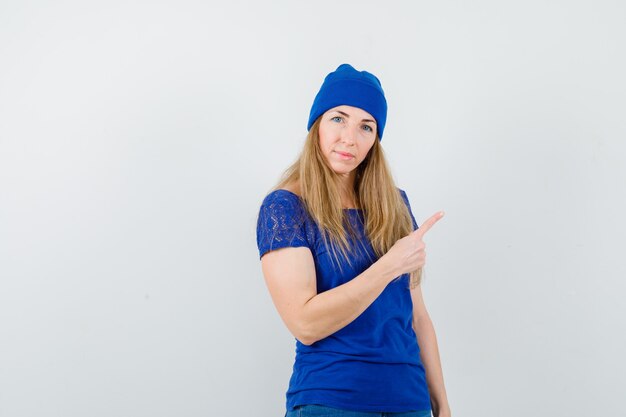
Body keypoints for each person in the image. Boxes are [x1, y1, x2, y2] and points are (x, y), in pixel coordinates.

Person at [256, 64, 451, 417]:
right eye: (338, 119)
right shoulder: (285, 207)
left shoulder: (395, 203)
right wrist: (388, 265)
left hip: (410, 401)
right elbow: (306, 324)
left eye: (366, 126)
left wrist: (442, 405)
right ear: (316, 125)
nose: (350, 138)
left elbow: (417, 317)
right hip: (332, 400)